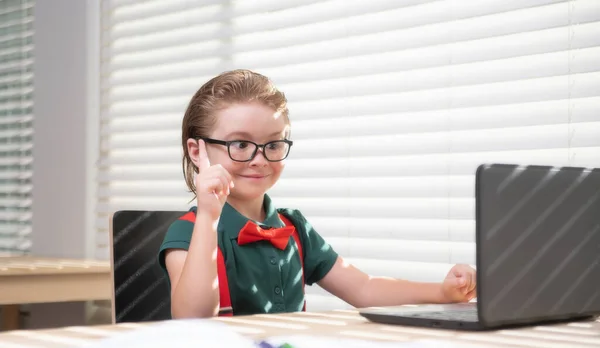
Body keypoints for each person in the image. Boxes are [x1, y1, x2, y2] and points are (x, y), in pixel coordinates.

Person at [158, 69, 476, 318]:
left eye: (273, 144)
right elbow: (194, 319)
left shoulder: (295, 227)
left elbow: (364, 288)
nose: (260, 159)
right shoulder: (187, 232)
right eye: (240, 144)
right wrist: (209, 217)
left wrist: (443, 292)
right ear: (197, 151)